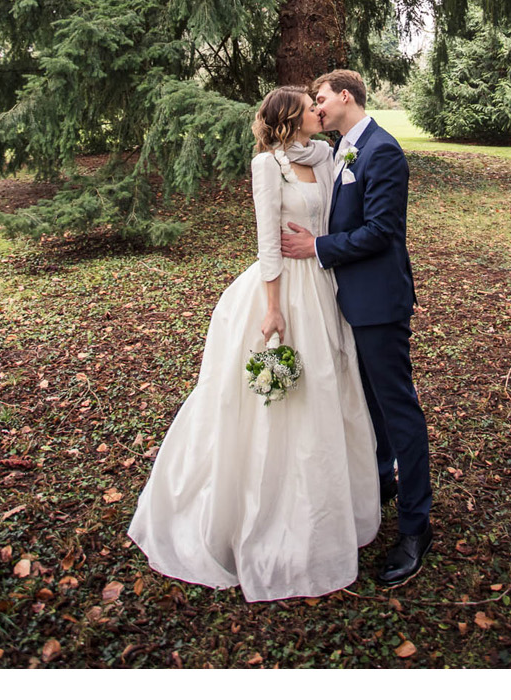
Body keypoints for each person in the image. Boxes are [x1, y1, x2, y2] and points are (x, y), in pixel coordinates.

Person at [126, 87, 380, 601]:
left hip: (325, 285)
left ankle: (328, 513)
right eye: (310, 106)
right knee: (279, 404)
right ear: (290, 119)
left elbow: (333, 221)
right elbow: (268, 238)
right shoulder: (268, 166)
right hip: (283, 288)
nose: (319, 109)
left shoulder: (328, 155)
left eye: (320, 102)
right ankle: (264, 516)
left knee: (329, 392)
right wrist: (272, 306)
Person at [279, 69, 434, 586]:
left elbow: (382, 230)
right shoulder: (343, 148)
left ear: (346, 96)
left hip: (378, 302)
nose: (317, 108)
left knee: (397, 407)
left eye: (321, 99)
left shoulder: (382, 150)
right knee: (367, 402)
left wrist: (317, 249)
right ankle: (383, 482)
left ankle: (416, 525)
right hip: (344, 300)